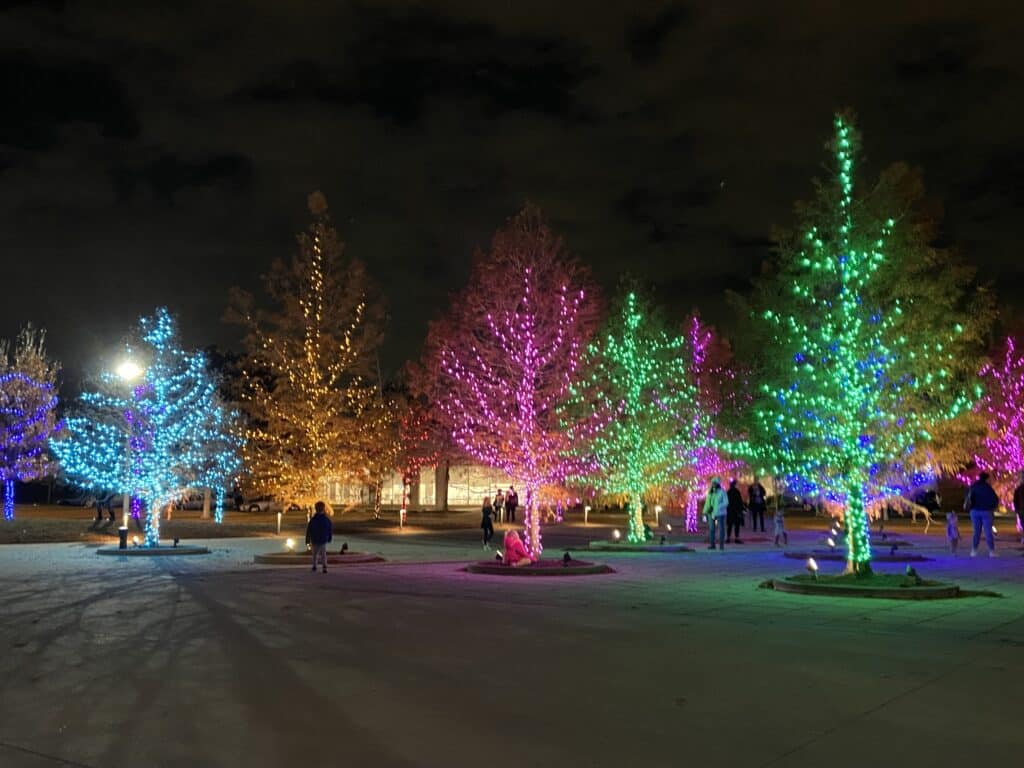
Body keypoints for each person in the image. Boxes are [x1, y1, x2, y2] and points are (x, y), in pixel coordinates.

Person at [964, 472, 999, 557]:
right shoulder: (988, 488)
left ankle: (974, 550)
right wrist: (992, 507)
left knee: (976, 532)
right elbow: (995, 500)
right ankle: (991, 551)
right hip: (986, 511)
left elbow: (968, 497)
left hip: (974, 511)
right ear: (986, 479)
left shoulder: (973, 487)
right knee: (988, 532)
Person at [305, 500, 333, 573]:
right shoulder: (326, 520)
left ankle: (315, 565)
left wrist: (307, 540)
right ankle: (324, 566)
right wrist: (329, 537)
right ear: (323, 509)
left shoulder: (313, 520)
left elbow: (309, 530)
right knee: (323, 554)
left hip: (315, 539)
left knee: (315, 553)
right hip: (322, 539)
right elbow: (329, 529)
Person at [702, 477, 728, 550]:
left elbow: (726, 502)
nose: (713, 484)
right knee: (711, 529)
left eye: (715, 483)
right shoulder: (710, 493)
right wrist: (704, 512)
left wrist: (719, 507)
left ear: (718, 484)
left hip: (720, 513)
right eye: (712, 483)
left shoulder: (722, 492)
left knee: (721, 529)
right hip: (711, 513)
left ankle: (721, 545)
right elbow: (707, 503)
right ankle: (712, 544)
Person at [726, 479, 745, 543]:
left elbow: (727, 502)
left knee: (730, 525)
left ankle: (728, 538)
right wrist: (741, 510)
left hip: (730, 511)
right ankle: (736, 538)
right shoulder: (737, 492)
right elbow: (740, 501)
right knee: (736, 525)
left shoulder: (729, 492)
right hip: (736, 511)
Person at [1014, 472, 1024, 544]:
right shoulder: (1019, 489)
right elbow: (1016, 500)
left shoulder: (1019, 489)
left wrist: (1017, 509)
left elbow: (1015, 500)